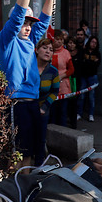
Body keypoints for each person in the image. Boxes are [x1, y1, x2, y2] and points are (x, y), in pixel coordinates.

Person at [0, 0, 58, 171]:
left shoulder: (31, 41)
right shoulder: (6, 41)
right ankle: (16, 188)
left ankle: (29, 184)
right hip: (16, 104)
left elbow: (45, 19)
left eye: (30, 24)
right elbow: (19, 13)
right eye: (24, 23)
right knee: (17, 153)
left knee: (33, 150)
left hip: (33, 102)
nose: (28, 27)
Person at [35, 38, 60, 166]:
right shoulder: (29, 67)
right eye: (45, 48)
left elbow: (55, 92)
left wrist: (44, 107)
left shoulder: (53, 71)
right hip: (26, 107)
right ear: (37, 50)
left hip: (42, 110)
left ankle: (38, 165)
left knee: (40, 139)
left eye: (51, 50)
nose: (47, 52)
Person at [49, 33, 74, 126]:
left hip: (63, 86)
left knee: (63, 111)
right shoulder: (49, 51)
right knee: (52, 111)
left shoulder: (66, 53)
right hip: (51, 86)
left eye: (60, 39)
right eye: (56, 39)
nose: (59, 41)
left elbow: (71, 69)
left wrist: (61, 76)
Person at [77, 36, 101, 122]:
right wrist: (90, 63)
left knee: (91, 97)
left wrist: (87, 62)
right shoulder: (84, 51)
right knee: (81, 95)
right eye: (92, 42)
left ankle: (91, 114)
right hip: (83, 76)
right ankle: (79, 113)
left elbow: (96, 65)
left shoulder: (97, 53)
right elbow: (82, 63)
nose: (93, 44)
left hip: (92, 77)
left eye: (95, 43)